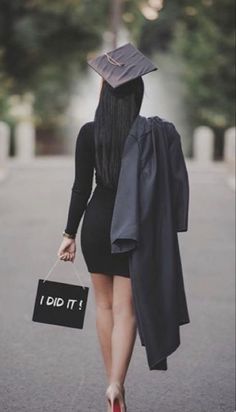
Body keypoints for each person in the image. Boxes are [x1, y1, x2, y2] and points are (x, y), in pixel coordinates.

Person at [57, 44, 158, 412]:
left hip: (97, 223)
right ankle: (118, 383)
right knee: (126, 309)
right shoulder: (147, 135)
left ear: (104, 93)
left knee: (103, 306)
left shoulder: (89, 133)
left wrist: (68, 235)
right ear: (138, 95)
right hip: (132, 224)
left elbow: (81, 188)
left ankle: (111, 386)